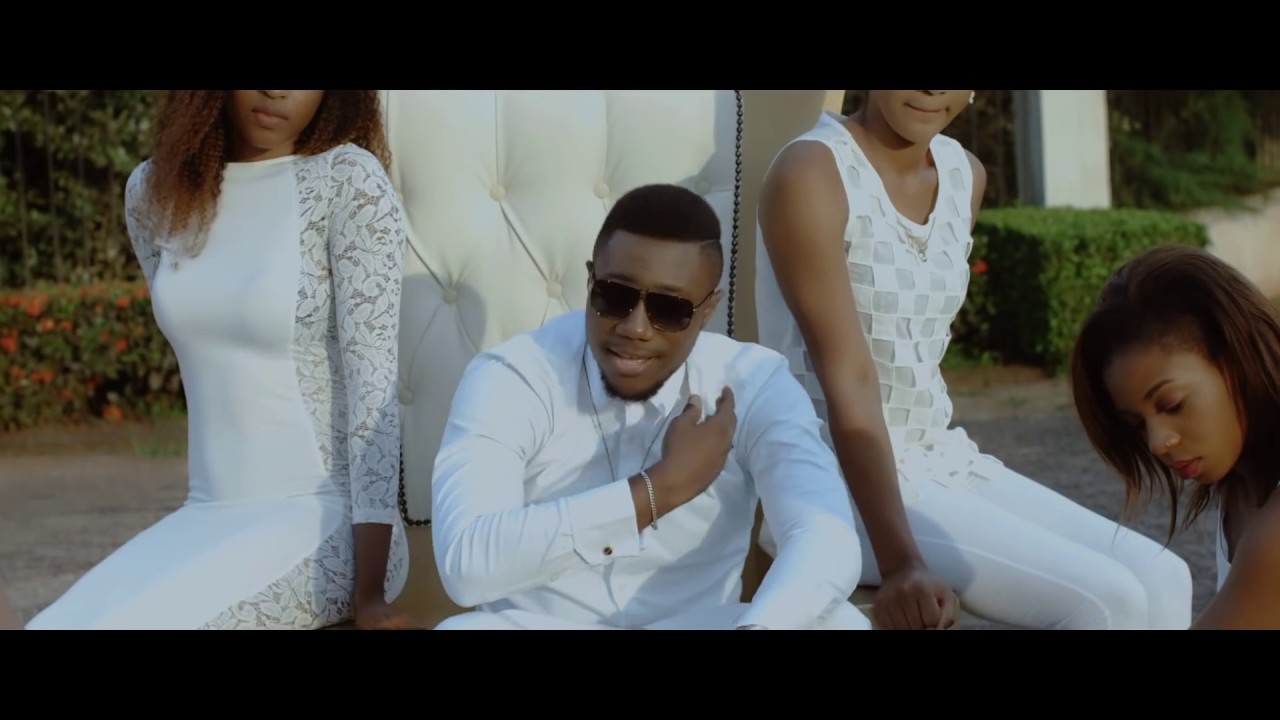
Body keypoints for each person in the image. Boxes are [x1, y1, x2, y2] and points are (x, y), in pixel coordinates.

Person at [753, 89, 1194, 629]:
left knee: (1167, 577)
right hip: (829, 480)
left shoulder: (965, 175)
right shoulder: (812, 172)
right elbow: (849, 378)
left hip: (940, 460)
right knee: (1110, 601)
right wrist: (902, 565)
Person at [25, 90, 417, 630]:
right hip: (205, 515)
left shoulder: (346, 181)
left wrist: (368, 596)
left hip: (327, 519)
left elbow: (375, 397)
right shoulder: (152, 190)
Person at [430, 183, 869, 630]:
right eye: (615, 296)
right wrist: (660, 488)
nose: (636, 328)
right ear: (590, 281)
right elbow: (465, 567)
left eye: (669, 309)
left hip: (700, 626)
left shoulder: (751, 381)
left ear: (708, 310)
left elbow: (826, 535)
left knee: (840, 623)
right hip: (543, 625)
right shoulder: (516, 374)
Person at [1071, 244, 1280, 629]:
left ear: (1235, 360)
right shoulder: (1241, 486)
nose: (1156, 443)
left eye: (1172, 404)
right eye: (1136, 424)